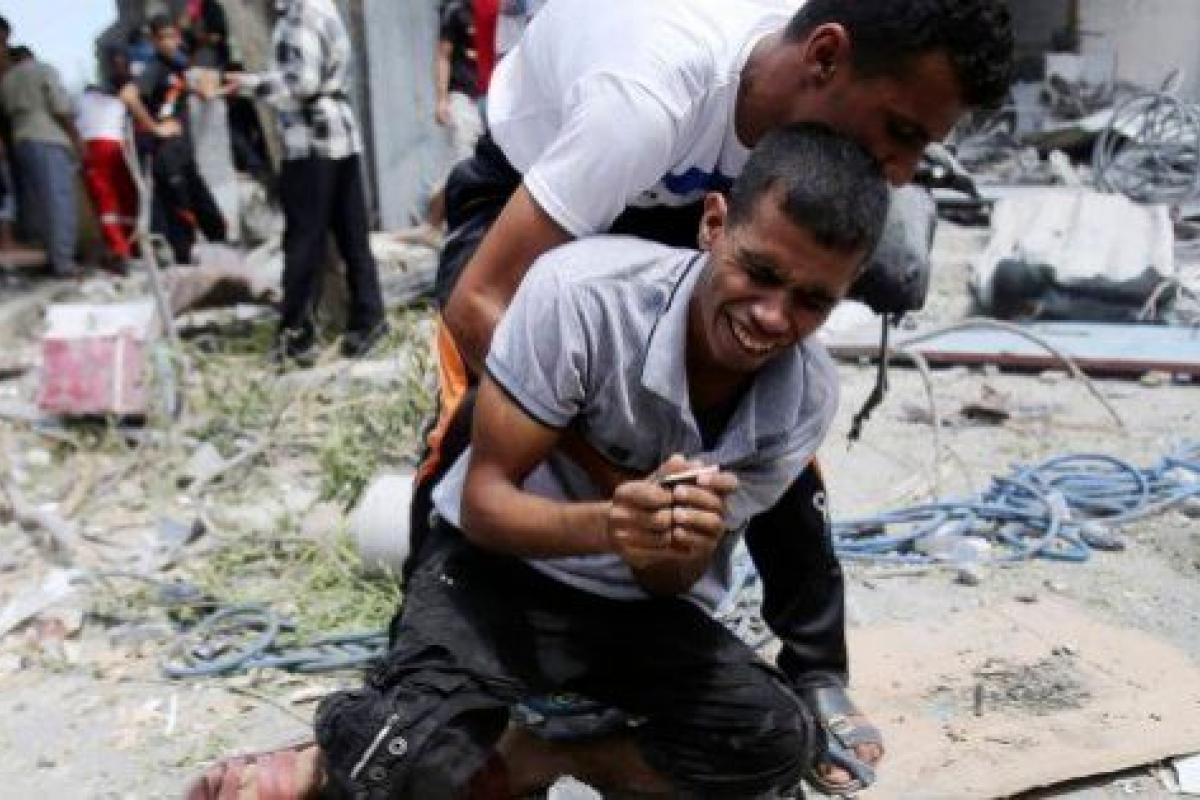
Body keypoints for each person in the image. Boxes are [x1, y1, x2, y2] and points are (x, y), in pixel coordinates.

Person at [410, 1, 1012, 791]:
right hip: (534, 184)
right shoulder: (644, 101)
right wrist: (624, 486)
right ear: (824, 57)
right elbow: (477, 304)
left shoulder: (804, 90)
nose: (899, 172)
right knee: (482, 419)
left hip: (679, 203)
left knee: (771, 398)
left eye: (921, 147)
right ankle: (424, 671)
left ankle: (813, 667)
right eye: (899, 132)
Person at [190, 122, 890, 799]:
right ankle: (338, 751)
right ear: (713, 224)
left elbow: (673, 582)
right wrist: (612, 525)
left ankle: (543, 754)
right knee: (405, 764)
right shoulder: (584, 296)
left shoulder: (805, 394)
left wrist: (670, 547)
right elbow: (483, 504)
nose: (772, 316)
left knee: (773, 742)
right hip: (497, 576)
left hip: (636, 613)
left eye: (812, 301)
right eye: (759, 273)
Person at [225, 0, 387, 362]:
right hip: (341, 135)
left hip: (311, 141)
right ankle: (369, 320)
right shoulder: (324, 7)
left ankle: (296, 337)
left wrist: (247, 85)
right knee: (353, 238)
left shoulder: (300, 12)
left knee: (302, 242)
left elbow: (302, 83)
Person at [120, 14, 227, 266]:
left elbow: (202, 91)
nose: (169, 42)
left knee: (209, 214)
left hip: (184, 152)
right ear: (154, 41)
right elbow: (128, 96)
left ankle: (224, 264)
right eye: (163, 38)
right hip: (166, 155)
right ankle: (185, 268)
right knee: (181, 218)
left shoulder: (178, 67)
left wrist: (230, 85)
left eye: (173, 36)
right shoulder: (154, 68)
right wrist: (155, 128)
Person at [0, 45, 84, 277]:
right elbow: (60, 107)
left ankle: (47, 256)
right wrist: (75, 138)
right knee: (59, 201)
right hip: (47, 136)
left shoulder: (6, 81)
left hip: (20, 141)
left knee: (36, 204)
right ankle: (64, 261)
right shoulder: (43, 70)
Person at [79, 49, 138, 274]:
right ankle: (129, 247)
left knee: (107, 200)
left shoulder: (89, 97)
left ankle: (119, 249)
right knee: (124, 197)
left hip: (98, 146)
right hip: (118, 145)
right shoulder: (125, 93)